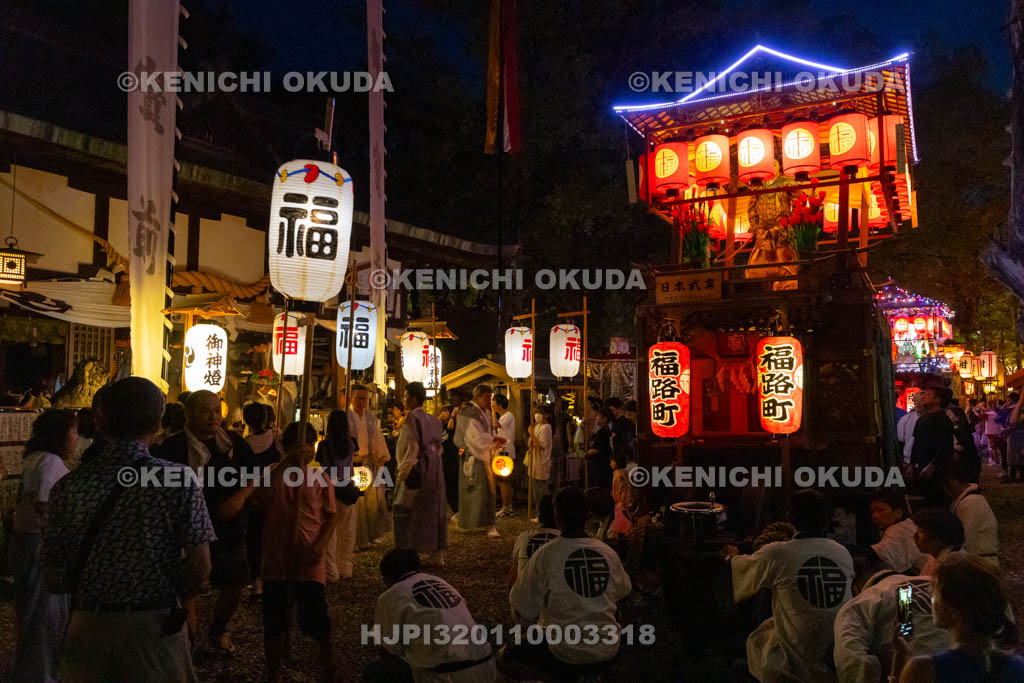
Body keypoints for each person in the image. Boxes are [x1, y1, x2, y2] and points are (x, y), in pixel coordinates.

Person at [39, 377, 214, 681]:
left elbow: (54, 578)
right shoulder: (178, 479)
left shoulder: (68, 486)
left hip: (87, 628)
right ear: (158, 422)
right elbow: (201, 567)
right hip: (154, 628)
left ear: (101, 422)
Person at [155, 390, 258, 655]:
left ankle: (218, 628)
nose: (214, 417)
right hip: (187, 533)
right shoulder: (173, 448)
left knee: (235, 583)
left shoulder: (233, 443)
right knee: (188, 590)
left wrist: (239, 498)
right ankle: (188, 646)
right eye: (205, 411)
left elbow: (254, 474)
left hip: (229, 529)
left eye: (217, 410)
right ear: (189, 414)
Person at [721, 489, 855, 683]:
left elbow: (742, 570)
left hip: (801, 653)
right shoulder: (842, 552)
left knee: (759, 641)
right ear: (827, 520)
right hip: (839, 648)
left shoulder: (777, 553)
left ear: (790, 518)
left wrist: (730, 555)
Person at [503, 487, 632, 679]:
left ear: (557, 516)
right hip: (608, 649)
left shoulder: (546, 554)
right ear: (587, 517)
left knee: (502, 659)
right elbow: (624, 594)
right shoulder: (607, 552)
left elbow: (522, 606)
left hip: (561, 652)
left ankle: (555, 677)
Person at [258, 421, 338, 683]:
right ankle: (273, 674)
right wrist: (286, 463)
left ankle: (331, 668)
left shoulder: (319, 476)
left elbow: (331, 516)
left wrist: (319, 547)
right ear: (286, 447)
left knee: (317, 618)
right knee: (274, 622)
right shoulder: (273, 472)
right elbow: (259, 496)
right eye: (299, 446)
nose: (306, 450)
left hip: (309, 559)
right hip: (276, 559)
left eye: (310, 444)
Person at [11, 409, 77, 682]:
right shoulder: (50, 462)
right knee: (44, 614)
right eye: (73, 431)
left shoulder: (36, 458)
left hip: (26, 541)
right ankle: (42, 675)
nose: (76, 437)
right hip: (40, 542)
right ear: (60, 435)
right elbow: (45, 504)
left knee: (33, 611)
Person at [364, 549, 496, 682]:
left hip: (447, 675)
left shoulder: (391, 596)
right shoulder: (441, 582)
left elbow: (389, 650)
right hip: (486, 666)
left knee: (377, 669)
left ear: (386, 578)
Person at [891, 553, 1023, 682]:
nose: (931, 600)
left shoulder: (923, 668)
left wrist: (900, 657)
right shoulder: (1018, 667)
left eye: (935, 594)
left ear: (954, 610)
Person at [833, 567, 950, 683]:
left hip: (915, 672)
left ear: (856, 590)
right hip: (960, 666)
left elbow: (850, 657)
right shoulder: (934, 581)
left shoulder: (867, 598)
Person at [393, 382, 448, 567]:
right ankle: (436, 552)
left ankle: (410, 551)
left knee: (408, 510)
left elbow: (409, 447)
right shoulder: (432, 419)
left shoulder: (411, 420)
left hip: (419, 467)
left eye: (405, 396)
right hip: (436, 466)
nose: (403, 400)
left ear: (414, 399)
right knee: (435, 508)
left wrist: (403, 471)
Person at [243, 402, 282, 596]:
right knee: (273, 536)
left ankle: (256, 579)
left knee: (254, 538)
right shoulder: (277, 437)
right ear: (266, 418)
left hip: (253, 496)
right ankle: (272, 577)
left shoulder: (244, 444)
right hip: (274, 494)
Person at [315, 409, 359, 582]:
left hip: (330, 488)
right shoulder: (351, 442)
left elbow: (323, 466)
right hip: (348, 487)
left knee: (330, 532)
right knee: (347, 532)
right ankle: (345, 568)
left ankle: (330, 572)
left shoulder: (325, 445)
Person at [456, 384, 505, 537]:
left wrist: (493, 440)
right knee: (479, 491)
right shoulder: (470, 413)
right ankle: (471, 522)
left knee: (485, 492)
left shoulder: (483, 412)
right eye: (487, 397)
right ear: (477, 396)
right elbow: (473, 436)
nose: (489, 400)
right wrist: (493, 439)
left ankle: (483, 523)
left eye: (490, 397)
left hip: (483, 454)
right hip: (474, 455)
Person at [349, 384, 392, 549]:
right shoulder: (347, 416)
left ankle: (372, 534)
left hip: (369, 460)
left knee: (373, 501)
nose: (362, 402)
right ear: (352, 398)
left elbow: (376, 436)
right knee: (357, 502)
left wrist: (381, 455)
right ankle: (357, 538)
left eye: (364, 399)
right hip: (352, 462)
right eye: (359, 398)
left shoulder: (370, 416)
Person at [940, 462, 999, 570]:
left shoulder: (971, 502)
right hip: (974, 560)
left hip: (980, 563)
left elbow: (963, 537)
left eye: (945, 485)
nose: (944, 490)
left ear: (953, 480)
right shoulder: (963, 499)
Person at [911, 387, 955, 500]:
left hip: (938, 470)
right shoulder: (921, 420)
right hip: (921, 467)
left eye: (928, 394)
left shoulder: (943, 420)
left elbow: (946, 446)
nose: (923, 397)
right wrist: (912, 464)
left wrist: (933, 465)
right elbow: (916, 444)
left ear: (937, 400)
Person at [869, 490, 925, 574]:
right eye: (873, 512)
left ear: (898, 513)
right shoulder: (907, 524)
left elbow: (880, 555)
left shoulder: (897, 530)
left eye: (881, 510)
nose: (875, 516)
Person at [510, 493, 559, 582]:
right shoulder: (567, 541)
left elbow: (515, 561)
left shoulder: (525, 536)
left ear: (540, 516)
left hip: (523, 591)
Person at [913, 508, 966, 576]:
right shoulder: (934, 557)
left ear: (939, 537)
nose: (915, 536)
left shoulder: (950, 566)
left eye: (922, 532)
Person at [526, 405, 552, 523]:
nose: (537, 415)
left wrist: (531, 433)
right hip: (534, 461)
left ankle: (545, 514)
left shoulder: (546, 427)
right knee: (535, 490)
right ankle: (539, 512)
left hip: (541, 462)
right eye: (535, 412)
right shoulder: (536, 427)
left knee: (542, 490)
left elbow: (540, 445)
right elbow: (530, 444)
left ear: (546, 415)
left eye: (539, 413)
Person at [493, 394, 517, 518]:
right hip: (505, 451)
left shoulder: (508, 415)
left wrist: (492, 411)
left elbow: (495, 425)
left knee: (503, 482)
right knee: (505, 481)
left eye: (493, 403)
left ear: (498, 404)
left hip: (505, 452)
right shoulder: (505, 416)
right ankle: (509, 507)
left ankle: (505, 508)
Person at [608, 448, 634, 538]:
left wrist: (625, 500)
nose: (611, 463)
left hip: (621, 501)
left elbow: (626, 488)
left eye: (612, 461)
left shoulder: (621, 473)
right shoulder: (616, 473)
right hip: (617, 500)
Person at [587, 408, 614, 491]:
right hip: (606, 465)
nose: (596, 418)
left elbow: (599, 449)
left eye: (598, 416)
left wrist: (589, 452)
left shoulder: (601, 433)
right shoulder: (608, 431)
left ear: (605, 419)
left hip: (601, 465)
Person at [440, 404, 460, 514]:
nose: (443, 414)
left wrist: (452, 416)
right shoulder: (441, 425)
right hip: (443, 459)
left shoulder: (454, 424)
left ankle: (456, 510)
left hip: (452, 459)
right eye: (442, 411)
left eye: (445, 411)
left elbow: (450, 429)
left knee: (452, 485)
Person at [897, 404, 922, 469]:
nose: (918, 403)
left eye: (922, 399)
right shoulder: (905, 418)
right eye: (916, 401)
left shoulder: (932, 419)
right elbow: (900, 441)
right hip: (908, 459)